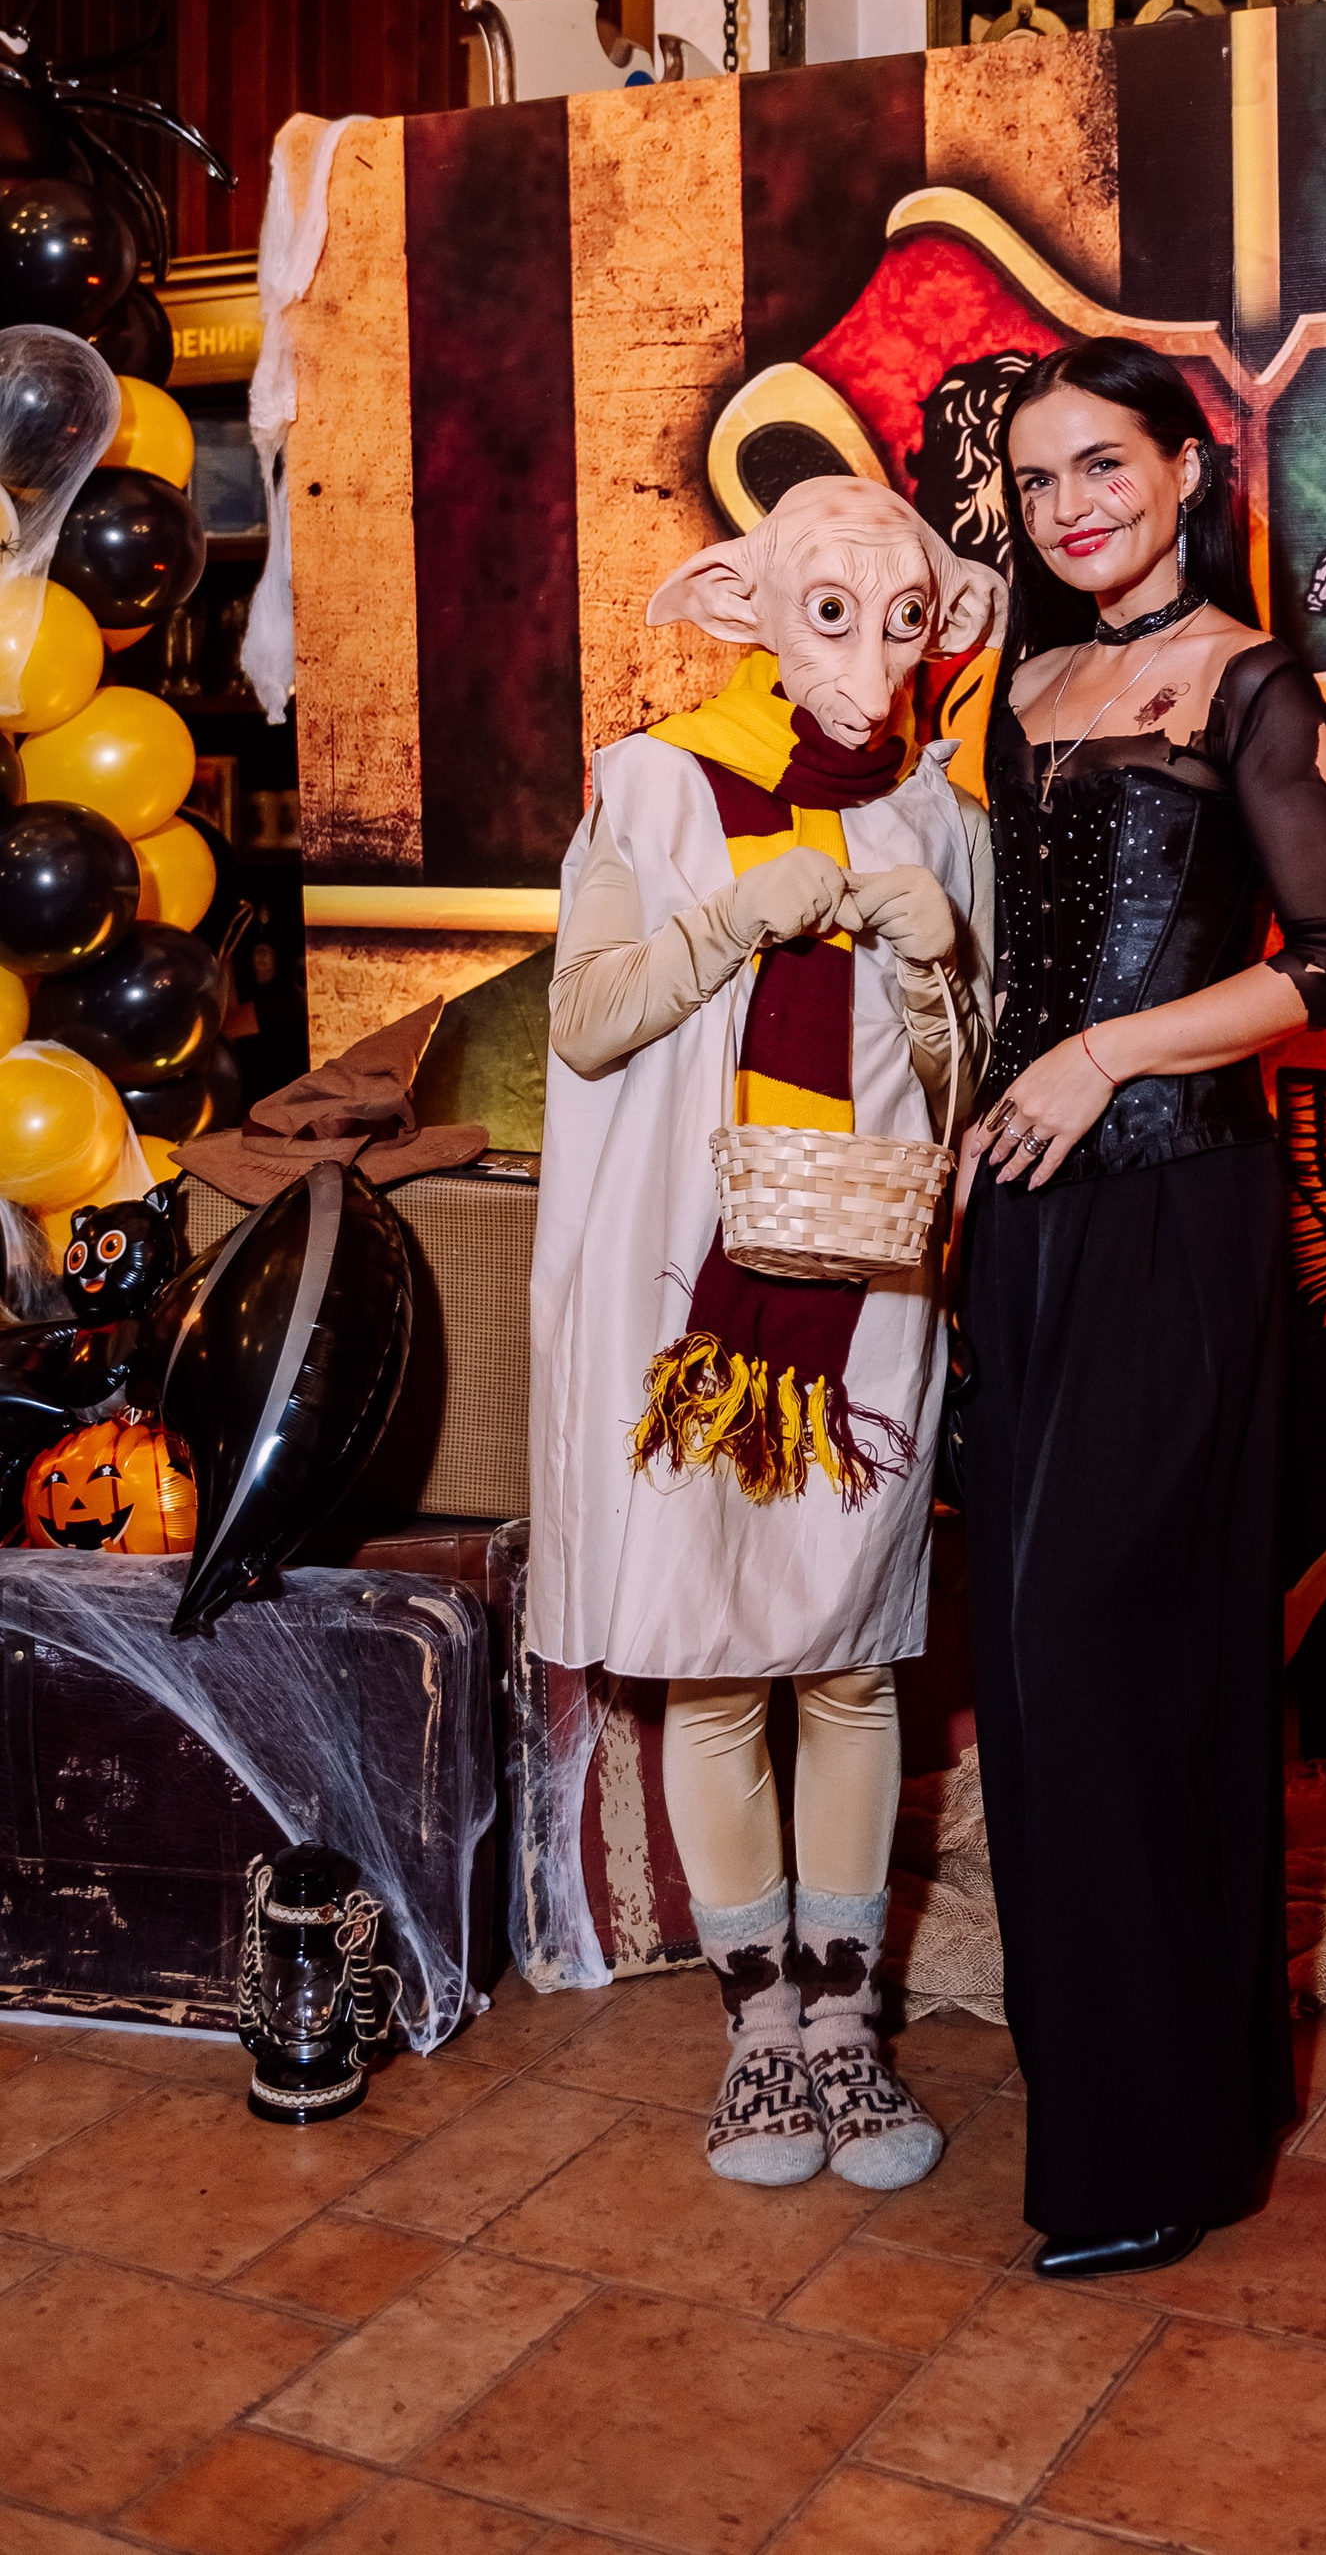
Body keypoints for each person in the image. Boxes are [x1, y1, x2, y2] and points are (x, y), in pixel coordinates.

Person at [528, 476, 1000, 2191]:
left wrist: (941, 968)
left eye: (905, 618)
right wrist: (731, 917)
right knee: (718, 1660)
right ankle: (760, 2032)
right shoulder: (657, 782)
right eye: (832, 614)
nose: (873, 657)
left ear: (944, 627)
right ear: (748, 610)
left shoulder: (944, 817)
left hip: (867, 1297)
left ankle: (848, 2024)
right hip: (689, 1302)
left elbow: (960, 1089)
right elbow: (585, 1024)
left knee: (851, 1655)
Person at [959, 339, 1326, 2278]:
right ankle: (1125, 2087)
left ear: (1187, 473)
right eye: (1039, 479)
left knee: (1112, 1649)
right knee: (1031, 1666)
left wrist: (1103, 1055)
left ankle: (1158, 2142)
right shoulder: (1024, 688)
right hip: (1027, 1220)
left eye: (1104, 466)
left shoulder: (1255, 684)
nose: (1073, 507)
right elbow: (1005, 962)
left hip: (1175, 1207)